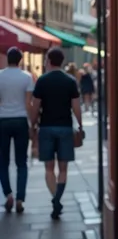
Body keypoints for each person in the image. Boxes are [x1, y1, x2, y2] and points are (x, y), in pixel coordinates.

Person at [30, 47, 82, 219]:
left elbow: (35, 106)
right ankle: (58, 199)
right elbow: (76, 106)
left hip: (46, 127)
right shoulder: (70, 81)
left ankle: (55, 199)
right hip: (65, 127)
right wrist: (80, 124)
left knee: (49, 168)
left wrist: (32, 125)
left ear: (49, 61)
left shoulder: (42, 81)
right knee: (64, 168)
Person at [0, 47, 34, 213]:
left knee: (3, 161)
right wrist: (32, 123)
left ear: (7, 59)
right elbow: (29, 104)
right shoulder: (26, 77)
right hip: (21, 120)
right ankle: (21, 198)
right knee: (22, 162)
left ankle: (8, 195)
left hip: (3, 120)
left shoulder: (0, 76)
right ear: (20, 60)